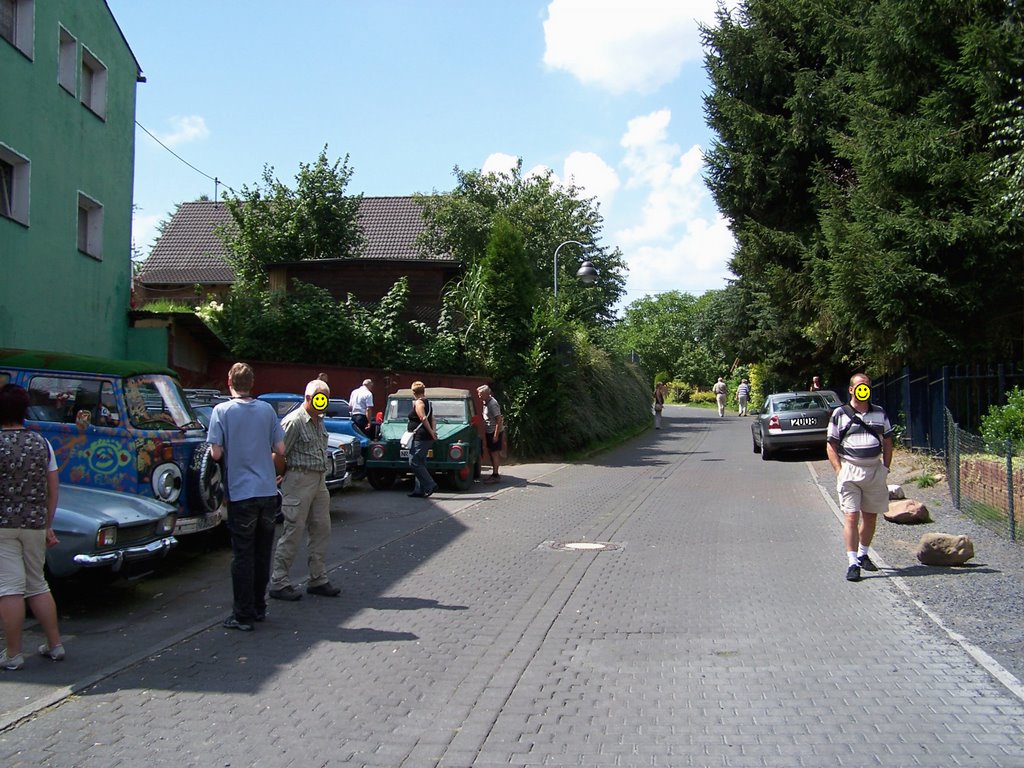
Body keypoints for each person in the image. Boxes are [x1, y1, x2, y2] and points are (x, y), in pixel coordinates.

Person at [207, 363, 286, 631]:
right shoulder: (266, 410)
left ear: (229, 380)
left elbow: (216, 454)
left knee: (242, 554)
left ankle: (243, 614)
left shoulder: (221, 411)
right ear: (252, 383)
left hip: (241, 492)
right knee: (263, 553)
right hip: (267, 491)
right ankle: (259, 606)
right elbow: (280, 447)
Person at [0, 384, 64, 669]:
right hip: (34, 523)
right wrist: (47, 524)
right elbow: (53, 487)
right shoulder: (41, 443)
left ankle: (13, 654)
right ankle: (55, 644)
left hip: (2, 525)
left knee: (10, 589)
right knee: (38, 584)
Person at [270, 378, 341, 599]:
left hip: (318, 480)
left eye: (326, 399)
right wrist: (280, 474)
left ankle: (317, 578)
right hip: (299, 480)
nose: (323, 403)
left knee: (321, 528)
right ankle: (279, 582)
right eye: (320, 398)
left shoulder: (318, 421)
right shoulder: (294, 421)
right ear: (308, 398)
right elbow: (278, 453)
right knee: (294, 530)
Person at [826, 373, 894, 583]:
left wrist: (885, 468)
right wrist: (839, 471)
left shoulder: (879, 413)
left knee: (871, 516)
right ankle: (853, 562)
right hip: (850, 470)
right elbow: (831, 444)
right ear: (851, 389)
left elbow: (888, 441)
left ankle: (864, 554)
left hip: (874, 470)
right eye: (859, 386)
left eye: (866, 386)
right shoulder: (840, 414)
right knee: (851, 517)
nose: (863, 389)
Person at [407, 381, 438, 498]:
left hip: (421, 437)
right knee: (421, 462)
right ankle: (419, 489)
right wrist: (433, 432)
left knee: (414, 461)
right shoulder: (428, 402)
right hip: (425, 436)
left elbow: (423, 418)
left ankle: (430, 484)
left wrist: (431, 433)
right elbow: (433, 419)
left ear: (414, 392)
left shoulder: (419, 402)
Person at [477, 385, 504, 482]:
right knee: (491, 452)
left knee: (494, 453)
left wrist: (496, 435)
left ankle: (496, 475)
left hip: (494, 432)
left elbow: (499, 420)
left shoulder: (493, 404)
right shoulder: (485, 402)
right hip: (489, 431)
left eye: (480, 395)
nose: (479, 396)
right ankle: (494, 474)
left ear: (487, 394)